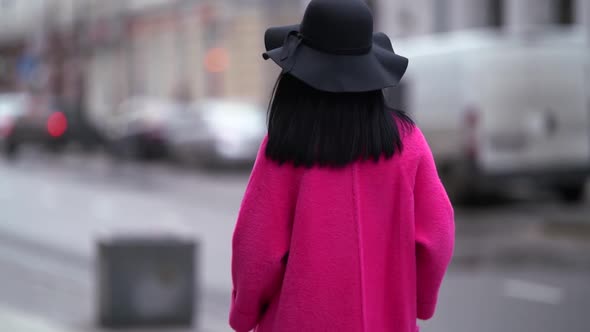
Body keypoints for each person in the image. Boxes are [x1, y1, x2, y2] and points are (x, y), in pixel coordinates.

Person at [229, 0, 454, 331]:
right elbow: (438, 236)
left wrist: (244, 313)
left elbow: (257, 250)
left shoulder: (283, 148)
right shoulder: (408, 144)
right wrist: (417, 300)